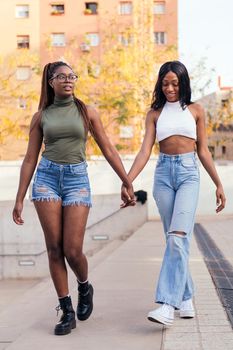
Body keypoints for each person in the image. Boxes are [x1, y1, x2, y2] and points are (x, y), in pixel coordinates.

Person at [12, 61, 135, 336]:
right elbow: (30, 157)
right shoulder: (40, 116)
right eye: (62, 76)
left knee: (73, 249)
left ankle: (84, 285)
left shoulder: (87, 111)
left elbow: (109, 150)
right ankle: (66, 310)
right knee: (54, 249)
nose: (69, 80)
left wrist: (127, 182)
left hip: (77, 180)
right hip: (46, 180)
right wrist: (19, 197)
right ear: (50, 82)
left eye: (72, 76)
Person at [121, 60, 226, 326]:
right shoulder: (154, 114)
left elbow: (203, 150)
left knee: (178, 238)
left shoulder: (196, 110)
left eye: (175, 84)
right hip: (164, 175)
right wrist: (128, 180)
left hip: (189, 174)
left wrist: (218, 183)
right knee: (174, 241)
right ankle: (186, 296)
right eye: (165, 83)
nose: (169, 88)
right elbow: (145, 150)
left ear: (184, 83)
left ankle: (167, 305)